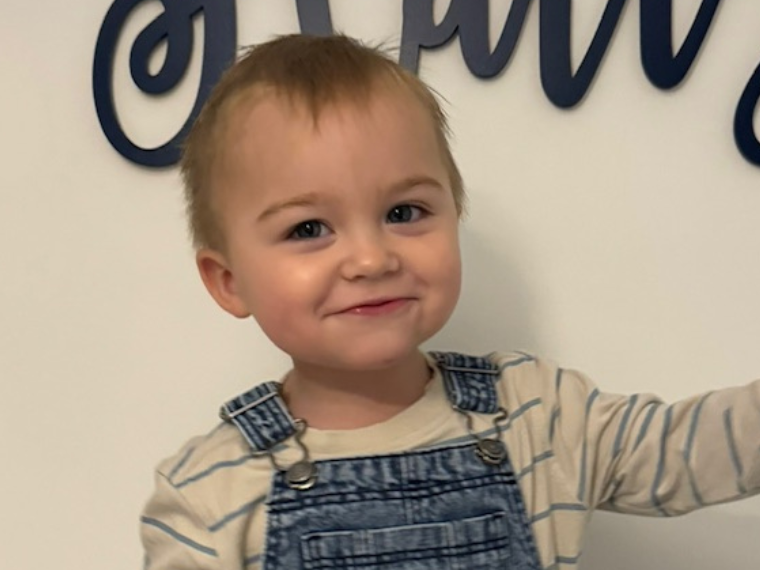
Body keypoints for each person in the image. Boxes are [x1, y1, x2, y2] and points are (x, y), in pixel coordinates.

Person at [140, 34, 760, 569]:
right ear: (228, 281)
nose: (371, 259)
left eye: (403, 213)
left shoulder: (539, 415)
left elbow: (691, 450)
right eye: (308, 229)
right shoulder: (207, 495)